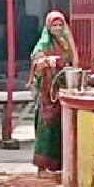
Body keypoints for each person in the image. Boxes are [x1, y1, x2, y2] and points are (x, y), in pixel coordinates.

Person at [28, 11, 77, 176]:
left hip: (61, 89)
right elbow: (36, 62)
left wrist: (69, 40)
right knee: (46, 128)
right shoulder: (44, 43)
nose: (57, 28)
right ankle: (41, 166)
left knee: (59, 127)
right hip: (46, 93)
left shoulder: (63, 42)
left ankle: (57, 164)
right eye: (54, 25)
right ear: (48, 27)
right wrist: (47, 61)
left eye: (60, 25)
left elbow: (73, 61)